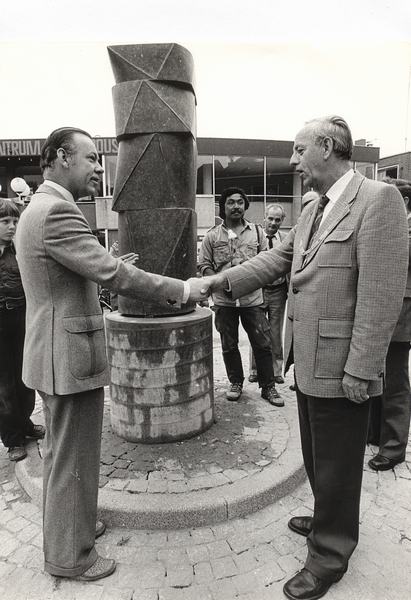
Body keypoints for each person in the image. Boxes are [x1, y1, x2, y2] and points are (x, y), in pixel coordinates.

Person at [200, 116, 409, 600]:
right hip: (309, 359)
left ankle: (330, 554)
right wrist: (216, 281)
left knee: (338, 464)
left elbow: (380, 296)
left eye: (299, 149)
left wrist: (361, 369)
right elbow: (277, 260)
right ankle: (326, 517)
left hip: (343, 366)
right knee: (318, 457)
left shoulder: (378, 200)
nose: (293, 160)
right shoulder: (315, 206)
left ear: (327, 147)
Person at [15, 127, 205, 582]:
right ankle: (70, 557)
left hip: (52, 352)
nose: (100, 168)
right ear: (62, 157)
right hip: (68, 357)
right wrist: (181, 289)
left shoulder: (38, 207)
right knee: (73, 459)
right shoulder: (58, 210)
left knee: (63, 454)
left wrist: (111, 266)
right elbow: (112, 275)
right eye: (91, 159)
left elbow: (75, 274)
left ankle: (74, 526)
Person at [198, 187, 281, 405]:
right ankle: (236, 382)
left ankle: (268, 387)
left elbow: (267, 262)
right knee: (229, 345)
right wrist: (217, 281)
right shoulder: (212, 236)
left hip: (252, 300)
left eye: (240, 202)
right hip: (224, 301)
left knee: (262, 344)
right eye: (231, 202)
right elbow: (204, 264)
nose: (236, 206)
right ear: (223, 207)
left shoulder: (257, 233)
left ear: (245, 206)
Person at [368, 178, 411, 471]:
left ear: (403, 201)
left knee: (395, 381)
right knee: (375, 373)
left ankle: (394, 447)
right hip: (379, 311)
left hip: (402, 315)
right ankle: (375, 433)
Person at [0, 199, 45, 462]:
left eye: (15, 221)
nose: (12, 226)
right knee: (4, 386)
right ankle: (12, 439)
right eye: (5, 221)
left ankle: (25, 424)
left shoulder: (18, 250)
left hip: (21, 320)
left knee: (25, 378)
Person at [248, 203, 288, 393]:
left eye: (277, 220)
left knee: (275, 333)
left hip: (278, 291)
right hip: (259, 290)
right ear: (264, 218)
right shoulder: (255, 238)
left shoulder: (285, 239)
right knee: (257, 330)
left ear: (282, 221)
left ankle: (276, 370)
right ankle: (255, 370)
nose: (273, 223)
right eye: (270, 218)